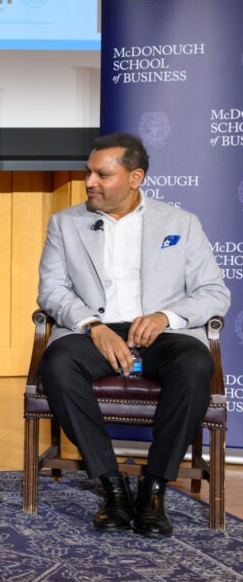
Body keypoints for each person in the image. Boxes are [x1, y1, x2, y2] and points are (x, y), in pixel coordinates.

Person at [37, 132, 230, 538]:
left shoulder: (181, 223)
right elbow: (52, 291)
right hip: (94, 329)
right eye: (88, 172)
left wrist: (166, 316)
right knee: (57, 363)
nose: (90, 181)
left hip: (160, 332)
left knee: (196, 363)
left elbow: (214, 292)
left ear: (135, 177)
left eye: (102, 175)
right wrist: (93, 326)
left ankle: (155, 488)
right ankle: (111, 485)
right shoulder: (65, 223)